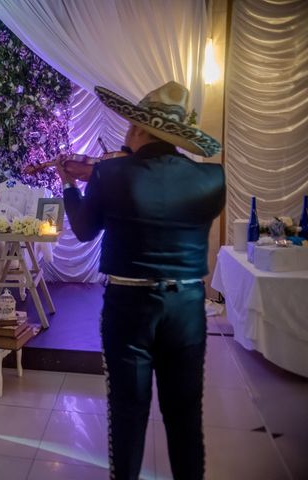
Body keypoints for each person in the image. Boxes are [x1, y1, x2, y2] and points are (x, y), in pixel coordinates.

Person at [56, 81, 225, 480]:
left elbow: (83, 230)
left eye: (132, 124)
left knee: (128, 413)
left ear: (141, 130)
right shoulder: (212, 181)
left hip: (129, 305)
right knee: (184, 413)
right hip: (187, 306)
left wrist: (68, 184)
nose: (127, 130)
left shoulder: (112, 174)